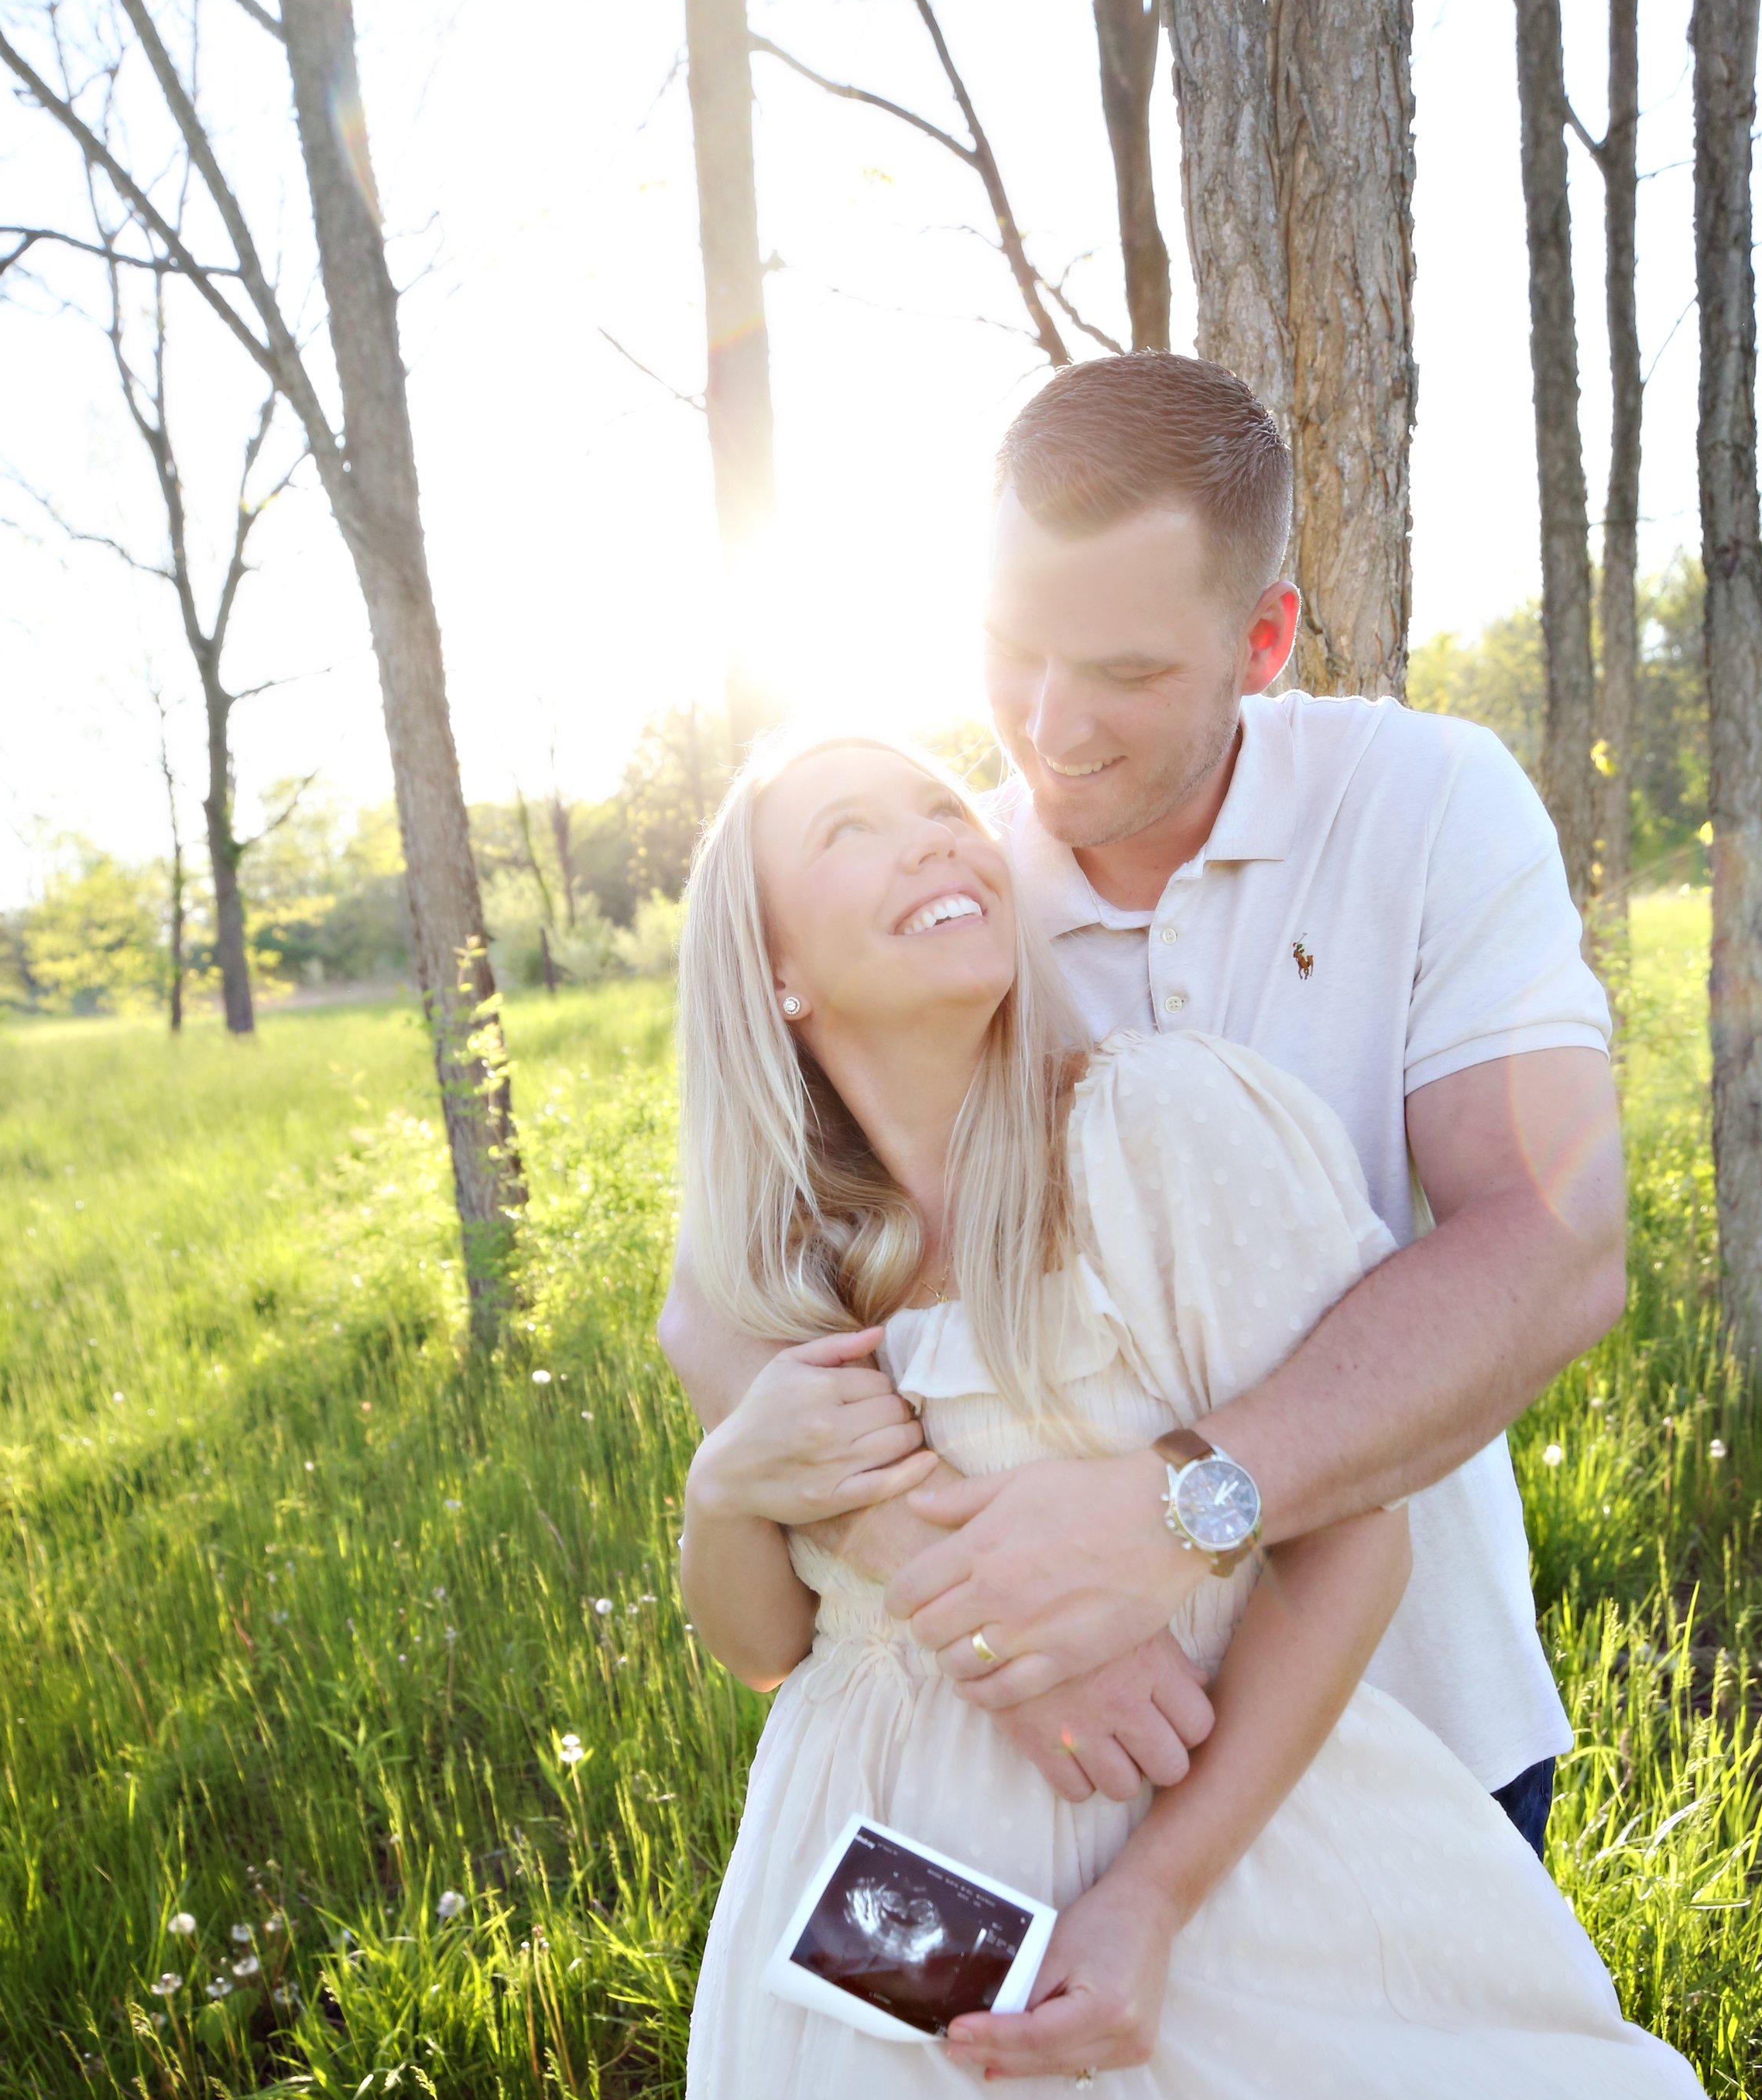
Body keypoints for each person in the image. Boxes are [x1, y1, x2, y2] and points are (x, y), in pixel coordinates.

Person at [665, 730, 1762, 2100]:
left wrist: (1156, 1892)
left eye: (939, 799)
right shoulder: (756, 1270)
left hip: (1217, 1850)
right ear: (771, 967)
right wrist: (720, 1485)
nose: (936, 828)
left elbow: (1353, 1532)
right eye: (849, 828)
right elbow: (772, 1652)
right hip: (867, 1917)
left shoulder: (1162, 1129)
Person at [663, 353, 1623, 1852]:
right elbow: (715, 1305)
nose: (1049, 729)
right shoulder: (944, 904)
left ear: (1263, 640)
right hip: (1063, 1779)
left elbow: (1553, 1245)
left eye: (1123, 673)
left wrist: (1176, 1511)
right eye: (1011, 652)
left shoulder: (1426, 804)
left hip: (1409, 1720)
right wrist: (981, 1608)